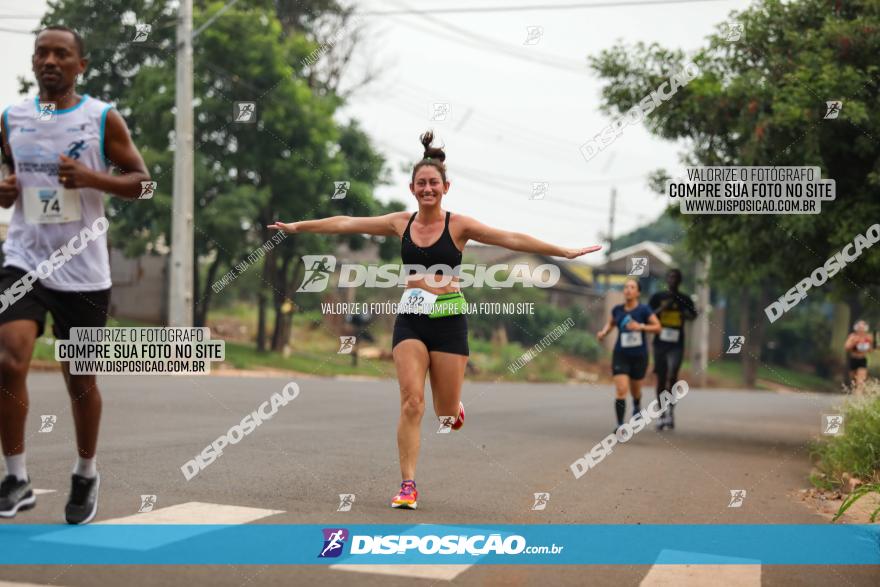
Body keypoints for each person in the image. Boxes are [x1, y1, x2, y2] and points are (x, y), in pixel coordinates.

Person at [269, 131, 601, 509]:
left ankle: (454, 408)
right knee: (412, 402)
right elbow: (347, 222)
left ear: (445, 187)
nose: (428, 189)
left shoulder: (459, 226)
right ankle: (408, 485)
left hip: (448, 320)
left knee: (445, 413)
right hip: (410, 319)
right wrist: (298, 227)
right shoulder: (400, 222)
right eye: (421, 183)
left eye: (434, 183)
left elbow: (511, 238)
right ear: (412, 188)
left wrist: (564, 251)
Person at [0, 26, 150, 524]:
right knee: (8, 358)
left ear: (80, 65)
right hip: (25, 258)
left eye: (61, 54)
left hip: (83, 268)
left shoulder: (101, 117)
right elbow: (12, 176)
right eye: (42, 52)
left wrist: (91, 178)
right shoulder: (12, 117)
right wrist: (5, 190)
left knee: (80, 380)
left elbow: (143, 186)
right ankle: (16, 476)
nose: (50, 60)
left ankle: (86, 471)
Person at [597, 278, 661, 433]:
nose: (628, 290)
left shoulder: (644, 310)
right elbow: (611, 323)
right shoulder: (617, 310)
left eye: (632, 287)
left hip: (639, 356)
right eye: (626, 287)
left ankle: (637, 404)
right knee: (621, 389)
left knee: (635, 390)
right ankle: (620, 425)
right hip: (621, 354)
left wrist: (640, 326)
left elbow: (658, 327)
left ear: (638, 292)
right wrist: (604, 332)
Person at [648, 269, 697, 430]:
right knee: (661, 379)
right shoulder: (658, 298)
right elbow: (648, 316)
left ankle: (671, 412)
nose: (672, 280)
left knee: (672, 375)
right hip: (660, 343)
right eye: (669, 277)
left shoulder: (685, 299)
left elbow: (693, 315)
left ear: (679, 281)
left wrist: (684, 314)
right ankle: (662, 414)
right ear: (666, 279)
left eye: (675, 277)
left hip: (676, 343)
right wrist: (662, 309)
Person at [844, 320, 873, 394]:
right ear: (856, 328)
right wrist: (854, 342)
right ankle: (854, 392)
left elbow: (870, 350)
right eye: (859, 327)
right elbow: (846, 347)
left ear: (866, 328)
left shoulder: (868, 337)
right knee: (853, 380)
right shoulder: (852, 336)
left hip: (862, 360)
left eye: (863, 327)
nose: (861, 329)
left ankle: (859, 396)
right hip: (853, 359)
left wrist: (869, 344)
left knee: (860, 380)